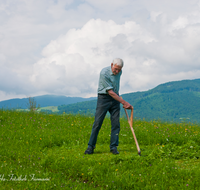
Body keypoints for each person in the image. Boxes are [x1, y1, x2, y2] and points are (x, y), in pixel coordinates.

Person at [84, 58, 133, 155]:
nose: (117, 71)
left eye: (119, 69)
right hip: (104, 98)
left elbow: (114, 90)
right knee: (97, 123)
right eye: (115, 69)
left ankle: (113, 147)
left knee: (116, 124)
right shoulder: (104, 73)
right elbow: (110, 92)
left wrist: (120, 100)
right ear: (111, 65)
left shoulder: (120, 72)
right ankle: (90, 147)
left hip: (115, 98)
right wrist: (124, 102)